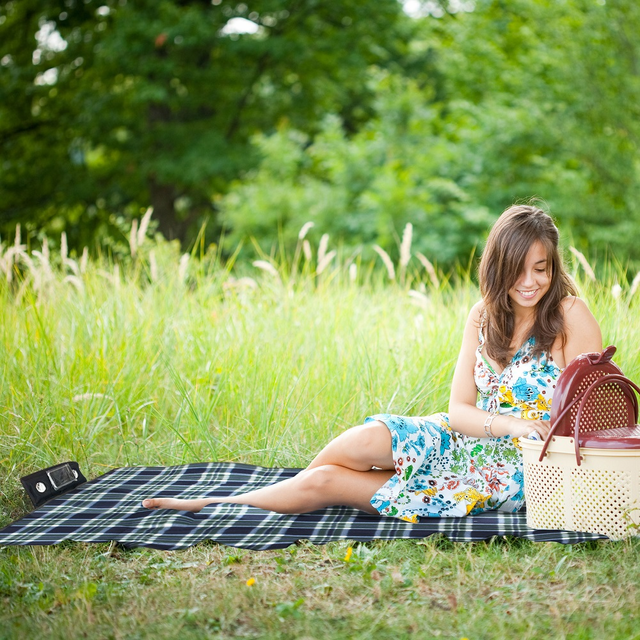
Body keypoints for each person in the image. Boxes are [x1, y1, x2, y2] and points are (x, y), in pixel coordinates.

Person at [142, 204, 602, 521]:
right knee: (364, 440)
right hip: (470, 437)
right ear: (497, 266)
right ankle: (253, 497)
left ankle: (218, 504)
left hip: (517, 470)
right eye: (518, 269)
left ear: (553, 268)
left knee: (327, 482)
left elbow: (594, 416)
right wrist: (505, 424)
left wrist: (527, 434)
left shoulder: (568, 315)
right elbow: (460, 410)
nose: (530, 282)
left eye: (540, 268)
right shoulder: (481, 316)